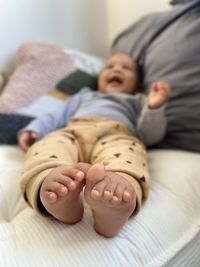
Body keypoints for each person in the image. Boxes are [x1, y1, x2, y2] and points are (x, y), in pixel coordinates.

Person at [18, 53, 171, 237]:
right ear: (99, 79)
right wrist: (34, 130)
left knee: (127, 153)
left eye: (126, 68)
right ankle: (52, 186)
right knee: (49, 145)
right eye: (110, 66)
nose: (116, 69)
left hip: (116, 134)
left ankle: (117, 195)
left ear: (137, 84)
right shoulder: (83, 96)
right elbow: (55, 116)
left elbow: (151, 135)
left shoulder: (137, 101)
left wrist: (154, 107)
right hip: (73, 132)